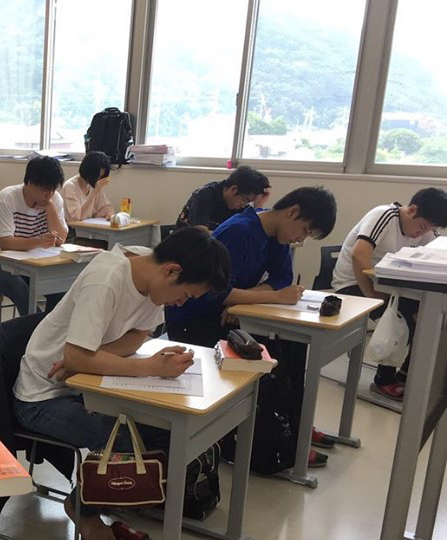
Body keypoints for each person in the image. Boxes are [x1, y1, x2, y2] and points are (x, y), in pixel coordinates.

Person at [13, 228, 231, 540]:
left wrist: (89, 360)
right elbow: (77, 358)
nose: (181, 303)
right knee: (127, 443)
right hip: (43, 397)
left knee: (166, 432)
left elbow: (136, 338)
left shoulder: (148, 277)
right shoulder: (107, 279)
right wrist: (147, 367)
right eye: (186, 294)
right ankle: (83, 511)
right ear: (171, 270)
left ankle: (112, 496)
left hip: (82, 386)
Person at [165, 185, 338, 462]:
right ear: (293, 212)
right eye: (304, 231)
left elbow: (281, 279)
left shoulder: (276, 236)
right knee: (269, 360)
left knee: (294, 348)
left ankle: (297, 427)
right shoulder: (240, 231)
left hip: (228, 314)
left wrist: (244, 301)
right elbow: (214, 292)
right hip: (194, 317)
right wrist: (266, 298)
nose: (300, 239)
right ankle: (274, 440)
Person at [332, 188, 447, 400]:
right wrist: (371, 295)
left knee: (429, 315)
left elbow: (438, 252)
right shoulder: (384, 215)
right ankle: (383, 379)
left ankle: (405, 373)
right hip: (354, 284)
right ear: (412, 210)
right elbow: (359, 255)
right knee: (401, 318)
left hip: (387, 288)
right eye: (422, 227)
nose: (421, 233)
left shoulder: (424, 230)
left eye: (428, 229)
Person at [0, 155, 68, 314]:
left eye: (53, 190)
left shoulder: (53, 200)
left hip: (29, 263)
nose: (49, 195)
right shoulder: (7, 198)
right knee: (21, 289)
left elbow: (61, 240)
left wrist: (51, 209)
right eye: (45, 190)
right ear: (30, 183)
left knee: (59, 288)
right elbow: (6, 243)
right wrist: (38, 241)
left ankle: (49, 325)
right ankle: (36, 326)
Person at [174, 166, 271, 231]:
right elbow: (201, 236)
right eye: (245, 200)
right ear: (233, 189)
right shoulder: (206, 195)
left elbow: (252, 231)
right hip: (184, 248)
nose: (243, 205)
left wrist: (258, 206)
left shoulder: (237, 204)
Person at [61, 151, 113, 223]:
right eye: (97, 176)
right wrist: (93, 194)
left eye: (101, 176)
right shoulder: (70, 186)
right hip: (72, 228)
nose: (98, 179)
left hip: (88, 227)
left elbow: (105, 208)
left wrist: (109, 214)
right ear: (88, 171)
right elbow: (78, 217)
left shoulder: (93, 185)